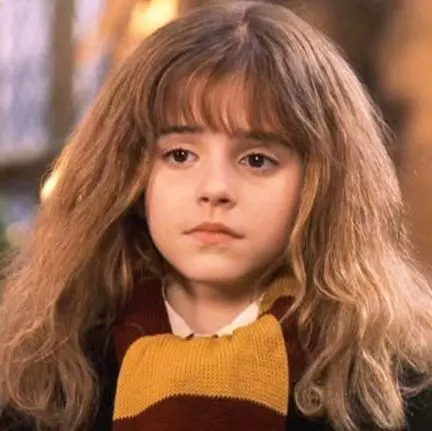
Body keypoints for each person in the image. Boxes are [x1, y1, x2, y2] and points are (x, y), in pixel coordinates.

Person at [1, 1, 432, 430]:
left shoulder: (394, 387)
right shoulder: (45, 375)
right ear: (132, 174)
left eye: (257, 160)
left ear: (319, 183)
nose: (215, 189)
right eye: (180, 155)